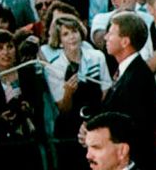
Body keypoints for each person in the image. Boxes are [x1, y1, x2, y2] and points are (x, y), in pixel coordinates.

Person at [93, 11, 156, 170]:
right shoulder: (127, 72)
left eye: (111, 33)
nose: (106, 38)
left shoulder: (138, 76)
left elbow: (134, 125)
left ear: (125, 41)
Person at [46, 16, 110, 169]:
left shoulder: (97, 57)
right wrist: (68, 92)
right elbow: (63, 108)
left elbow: (106, 89)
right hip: (69, 128)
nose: (72, 37)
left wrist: (93, 120)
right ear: (59, 41)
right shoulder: (53, 68)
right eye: (65, 34)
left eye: (74, 31)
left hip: (96, 121)